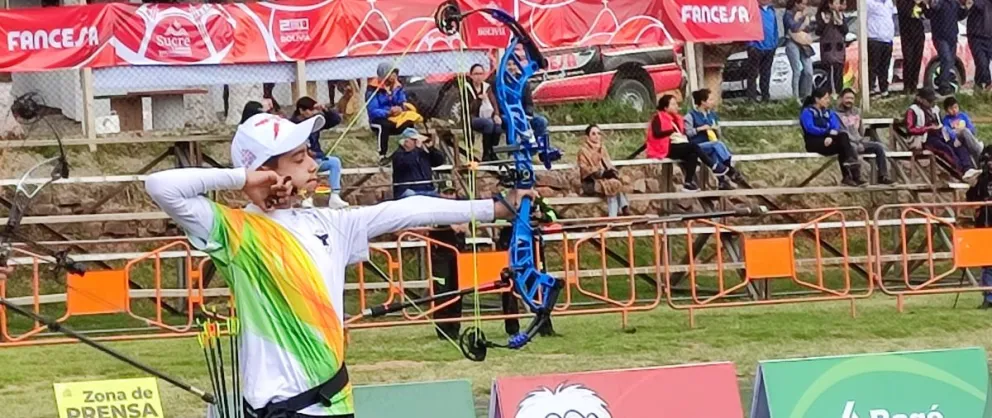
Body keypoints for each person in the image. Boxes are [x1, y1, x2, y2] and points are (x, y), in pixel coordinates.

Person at [144, 112, 534, 418]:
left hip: (335, 402)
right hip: (279, 408)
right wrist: (243, 178)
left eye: (309, 154)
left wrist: (495, 208)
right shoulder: (235, 230)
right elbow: (161, 186)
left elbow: (408, 209)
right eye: (299, 158)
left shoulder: (330, 223)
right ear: (265, 170)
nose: (313, 164)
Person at [646, 95, 726, 192]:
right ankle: (712, 165)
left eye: (676, 104)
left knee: (692, 154)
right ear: (665, 108)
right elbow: (657, 133)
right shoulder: (658, 118)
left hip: (676, 145)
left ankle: (688, 182)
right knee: (693, 146)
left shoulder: (675, 119)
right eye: (673, 104)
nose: (676, 106)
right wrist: (670, 132)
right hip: (665, 147)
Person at [903, 89, 978, 178]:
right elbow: (910, 129)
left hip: (939, 135)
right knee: (946, 149)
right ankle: (961, 172)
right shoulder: (913, 110)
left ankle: (968, 168)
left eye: (933, 100)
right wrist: (928, 128)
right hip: (924, 139)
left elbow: (941, 124)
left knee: (958, 145)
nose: (932, 103)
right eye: (929, 101)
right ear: (920, 99)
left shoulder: (935, 109)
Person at [799, 88, 866, 187]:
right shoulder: (807, 112)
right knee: (844, 146)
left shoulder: (828, 112)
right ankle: (852, 174)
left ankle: (851, 174)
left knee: (843, 137)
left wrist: (830, 136)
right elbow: (810, 128)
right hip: (814, 142)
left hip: (828, 140)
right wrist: (826, 131)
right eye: (826, 98)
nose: (828, 101)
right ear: (817, 99)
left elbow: (835, 126)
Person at [291, 97, 348, 209]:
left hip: (316, 158)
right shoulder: (291, 125)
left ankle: (335, 197)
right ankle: (306, 197)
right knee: (306, 166)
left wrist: (324, 109)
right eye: (310, 110)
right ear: (301, 110)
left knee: (334, 162)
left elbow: (336, 120)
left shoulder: (315, 121)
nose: (313, 112)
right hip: (299, 161)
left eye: (314, 110)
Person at [684, 88, 745, 190]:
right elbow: (688, 133)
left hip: (710, 144)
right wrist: (700, 129)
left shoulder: (712, 115)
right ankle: (730, 168)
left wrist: (716, 129)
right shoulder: (690, 116)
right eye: (710, 99)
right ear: (703, 102)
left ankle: (721, 180)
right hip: (697, 146)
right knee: (717, 144)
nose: (713, 102)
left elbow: (718, 133)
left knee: (715, 151)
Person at [835, 89, 895, 184]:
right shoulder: (835, 114)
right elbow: (840, 131)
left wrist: (861, 139)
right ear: (841, 99)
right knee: (852, 149)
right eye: (847, 98)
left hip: (859, 141)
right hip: (848, 143)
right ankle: (856, 177)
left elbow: (860, 129)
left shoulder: (857, 112)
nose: (849, 100)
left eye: (852, 98)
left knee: (878, 147)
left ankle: (883, 176)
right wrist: (855, 142)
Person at [367, 62, 421, 165]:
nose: (394, 76)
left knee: (409, 122)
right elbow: (372, 110)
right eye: (392, 73)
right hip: (378, 119)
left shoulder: (397, 87)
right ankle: (382, 155)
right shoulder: (373, 89)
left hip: (395, 118)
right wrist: (388, 112)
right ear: (384, 74)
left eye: (395, 73)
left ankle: (410, 150)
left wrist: (401, 108)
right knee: (384, 125)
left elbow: (402, 101)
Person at [577, 124, 630, 217]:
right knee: (613, 185)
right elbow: (584, 169)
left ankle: (617, 213)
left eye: (598, 133)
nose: (597, 136)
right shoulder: (583, 151)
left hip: (605, 180)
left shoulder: (602, 148)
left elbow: (608, 164)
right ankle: (619, 211)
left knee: (615, 182)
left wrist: (611, 172)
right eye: (593, 134)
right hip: (590, 182)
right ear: (587, 136)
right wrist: (601, 173)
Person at [965, 146, 992, 308]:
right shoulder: (982, 179)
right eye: (989, 160)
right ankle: (989, 297)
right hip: (984, 223)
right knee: (987, 262)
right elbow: (971, 199)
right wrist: (973, 185)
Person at [391, 128, 445, 199]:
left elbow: (439, 161)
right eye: (415, 140)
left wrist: (431, 148)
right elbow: (408, 162)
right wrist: (417, 148)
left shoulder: (421, 153)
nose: (417, 142)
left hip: (428, 189)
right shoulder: (398, 155)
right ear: (405, 141)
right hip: (409, 190)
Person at [464, 63, 503, 161]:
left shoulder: (486, 87)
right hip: (471, 117)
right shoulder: (466, 88)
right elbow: (468, 107)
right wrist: (479, 100)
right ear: (471, 75)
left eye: (481, 74)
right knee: (488, 123)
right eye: (476, 74)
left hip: (486, 115)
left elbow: (493, 103)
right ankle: (486, 154)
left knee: (497, 125)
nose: (478, 76)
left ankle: (493, 152)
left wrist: (496, 114)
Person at [925, 0, 961, 95]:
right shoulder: (938, 2)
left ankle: (945, 80)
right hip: (940, 37)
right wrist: (929, 5)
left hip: (952, 36)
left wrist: (965, 8)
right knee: (946, 59)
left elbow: (960, 15)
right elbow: (930, 12)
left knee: (951, 61)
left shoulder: (954, 3)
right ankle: (944, 85)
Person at [747, 0, 779, 103]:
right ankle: (752, 98)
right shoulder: (753, 9)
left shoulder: (771, 10)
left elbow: (775, 28)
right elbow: (747, 26)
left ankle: (765, 97)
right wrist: (751, 44)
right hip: (756, 47)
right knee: (753, 74)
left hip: (769, 48)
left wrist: (775, 43)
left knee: (766, 74)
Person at [784, 0, 815, 100]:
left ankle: (807, 96)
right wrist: (802, 20)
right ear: (796, 3)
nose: (804, 6)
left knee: (809, 71)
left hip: (804, 44)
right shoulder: (788, 14)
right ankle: (796, 97)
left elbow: (809, 28)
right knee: (797, 70)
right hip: (792, 42)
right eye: (802, 4)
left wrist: (807, 20)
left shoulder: (804, 15)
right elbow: (794, 28)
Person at [816, 0, 848, 95]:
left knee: (839, 72)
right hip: (828, 48)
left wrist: (839, 21)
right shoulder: (822, 15)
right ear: (830, 4)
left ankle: (839, 92)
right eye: (836, 3)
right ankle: (832, 93)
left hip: (839, 48)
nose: (838, 5)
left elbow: (845, 30)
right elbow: (819, 31)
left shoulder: (840, 16)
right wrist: (826, 22)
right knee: (832, 70)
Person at [867, 0, 898, 96]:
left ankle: (884, 89)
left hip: (887, 39)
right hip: (874, 39)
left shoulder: (889, 2)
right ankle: (870, 89)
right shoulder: (868, 2)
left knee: (885, 66)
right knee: (873, 66)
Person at [898, 0, 928, 95]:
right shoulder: (903, 2)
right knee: (908, 60)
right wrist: (914, 3)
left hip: (919, 34)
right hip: (907, 35)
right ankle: (907, 86)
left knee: (917, 61)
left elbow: (927, 14)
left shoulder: (921, 4)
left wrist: (925, 4)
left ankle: (914, 85)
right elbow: (905, 12)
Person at [943, 97, 986, 163]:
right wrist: (959, 132)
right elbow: (949, 132)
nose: (954, 110)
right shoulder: (946, 120)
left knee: (966, 131)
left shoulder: (963, 116)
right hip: (957, 140)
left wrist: (967, 131)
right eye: (951, 108)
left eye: (955, 107)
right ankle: (979, 150)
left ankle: (978, 152)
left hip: (968, 138)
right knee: (964, 131)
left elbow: (972, 129)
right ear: (946, 110)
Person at [961, 0, 992, 91]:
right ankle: (987, 84)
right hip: (975, 36)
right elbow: (965, 8)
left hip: (989, 36)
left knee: (983, 64)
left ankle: (978, 87)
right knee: (981, 63)